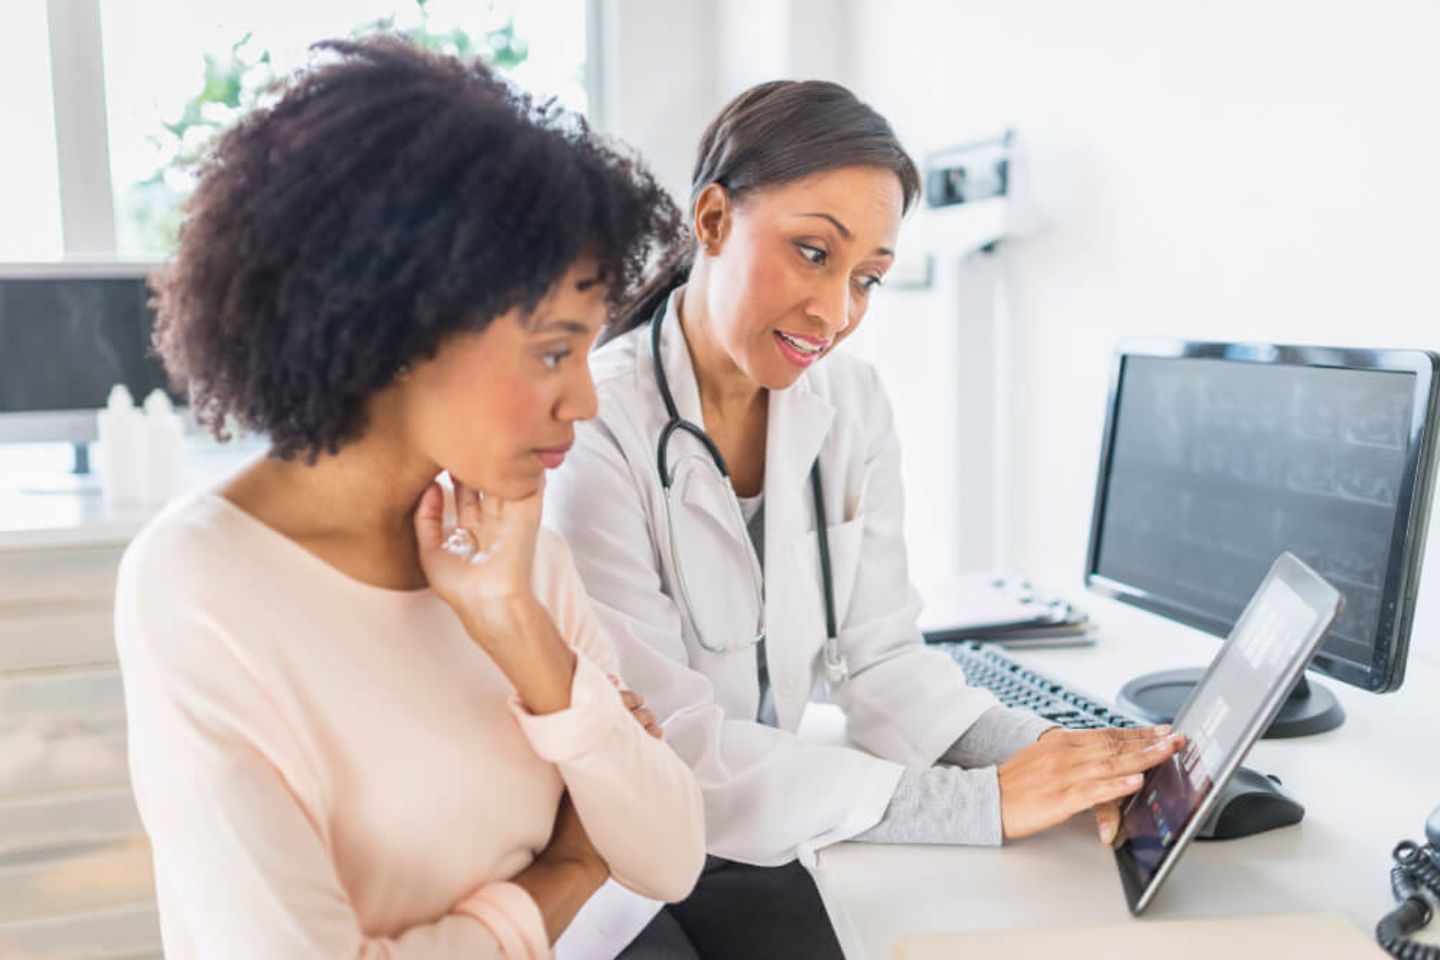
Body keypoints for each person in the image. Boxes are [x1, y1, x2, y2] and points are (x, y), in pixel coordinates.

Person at [544, 80, 1185, 958]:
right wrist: (984, 802)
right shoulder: (593, 431)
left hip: (762, 826)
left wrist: (1068, 760)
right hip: (613, 863)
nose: (837, 314)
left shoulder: (849, 403)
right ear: (714, 220)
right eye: (814, 252)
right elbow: (673, 755)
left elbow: (883, 665)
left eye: (868, 278)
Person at [114, 37, 705, 959]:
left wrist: (518, 628)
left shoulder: (508, 550)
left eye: (590, 351)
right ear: (394, 325)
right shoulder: (200, 585)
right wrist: (564, 873)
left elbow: (669, 858)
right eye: (553, 352)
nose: (584, 402)